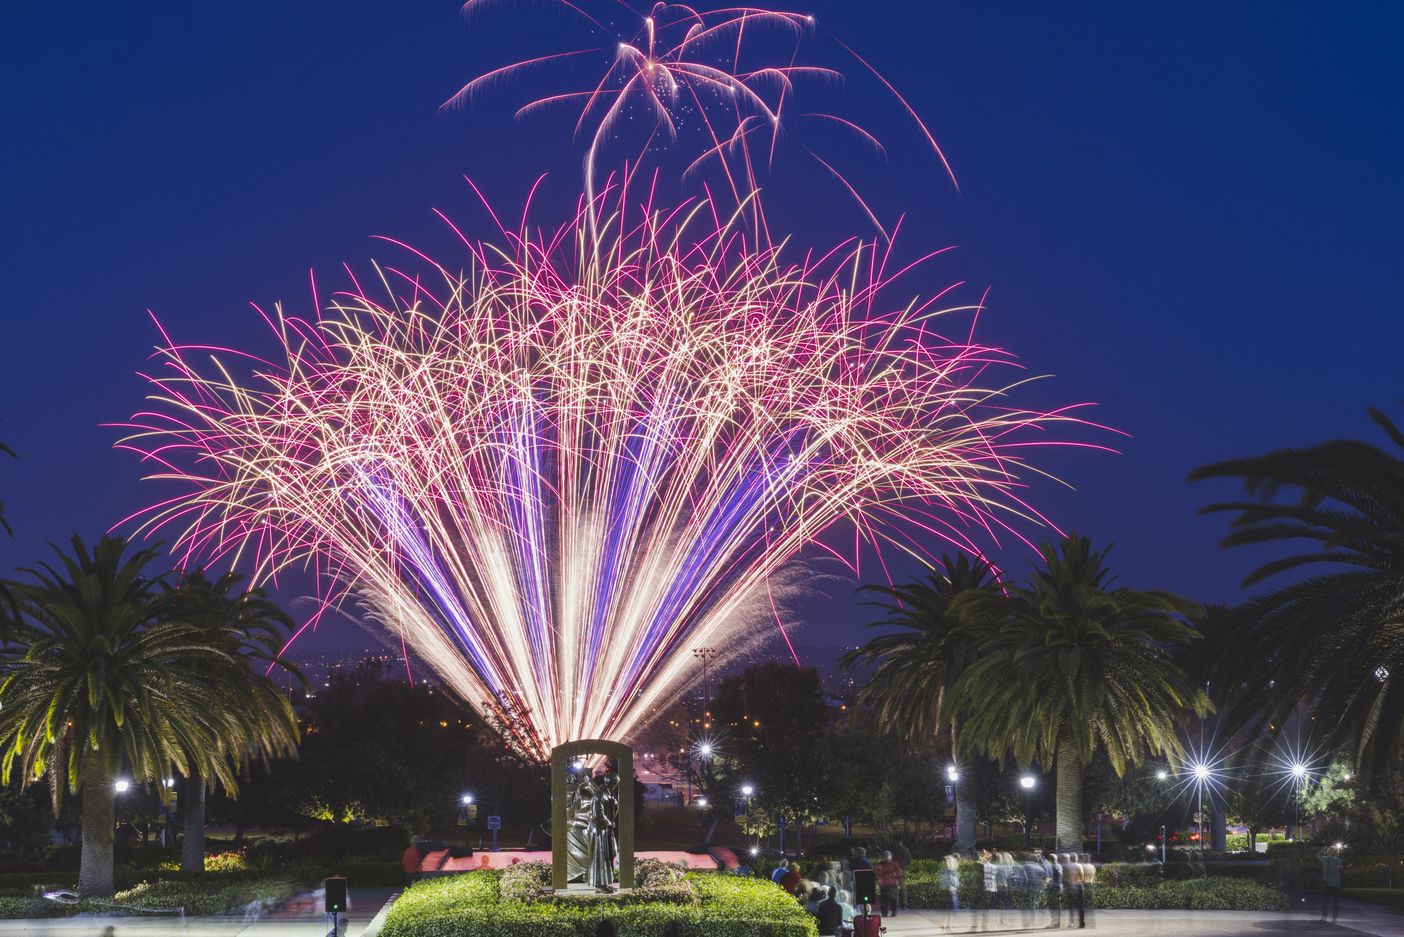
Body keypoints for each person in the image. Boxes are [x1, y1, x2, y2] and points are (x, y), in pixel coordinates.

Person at [875, 850, 904, 918]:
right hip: (885, 884)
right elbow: (877, 874)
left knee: (893, 899)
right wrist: (879, 880)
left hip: (892, 884)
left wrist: (897, 880)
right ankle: (885, 913)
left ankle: (893, 912)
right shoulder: (880, 865)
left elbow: (900, 873)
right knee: (885, 899)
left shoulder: (894, 864)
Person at [1319, 845, 1343, 923]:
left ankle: (1324, 917)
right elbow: (1340, 869)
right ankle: (1334, 918)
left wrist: (1322, 849)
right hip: (1336, 884)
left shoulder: (1325, 859)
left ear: (1329, 852)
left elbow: (1318, 856)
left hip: (1327, 883)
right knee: (1335, 902)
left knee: (1325, 902)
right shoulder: (1339, 861)